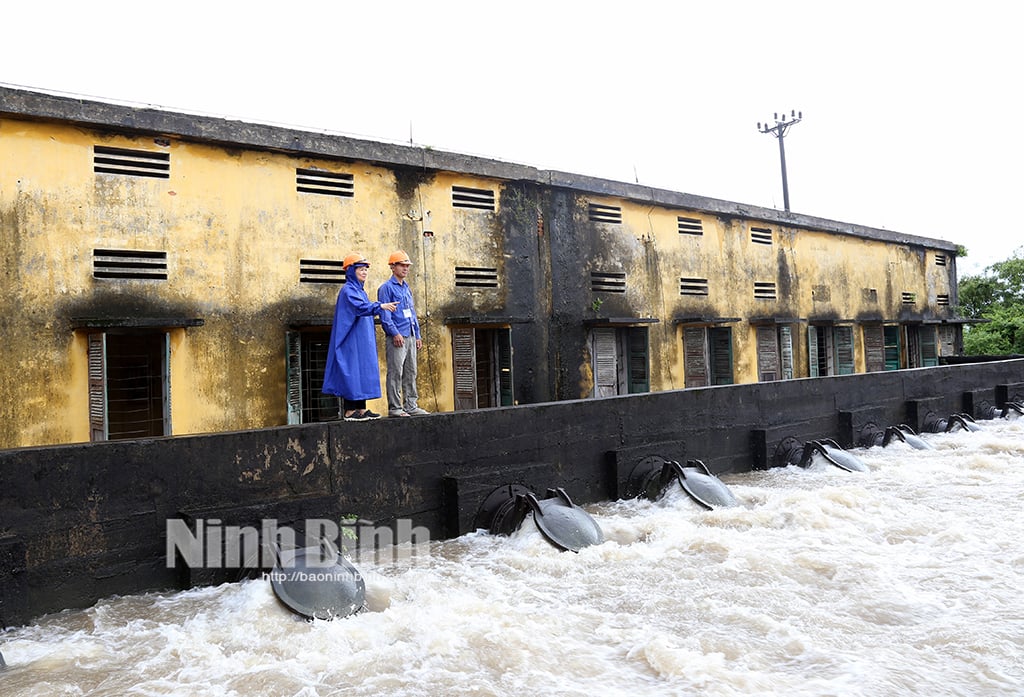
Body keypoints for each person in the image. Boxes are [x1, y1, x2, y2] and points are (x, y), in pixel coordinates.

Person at [322, 253, 398, 421]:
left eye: (365, 270)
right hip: (350, 339)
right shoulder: (348, 290)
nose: (364, 273)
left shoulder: (359, 290)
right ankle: (350, 411)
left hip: (361, 340)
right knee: (351, 371)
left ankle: (361, 409)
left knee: (361, 371)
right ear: (351, 271)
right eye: (361, 269)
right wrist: (381, 306)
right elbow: (360, 307)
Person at [378, 250, 429, 417]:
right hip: (398, 337)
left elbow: (412, 313)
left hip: (411, 335)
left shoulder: (407, 288)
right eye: (402, 265)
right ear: (393, 267)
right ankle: (395, 407)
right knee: (395, 372)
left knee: (411, 371)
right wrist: (394, 333)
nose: (406, 268)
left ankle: (411, 405)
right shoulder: (386, 288)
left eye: (407, 265)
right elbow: (385, 316)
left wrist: (418, 335)